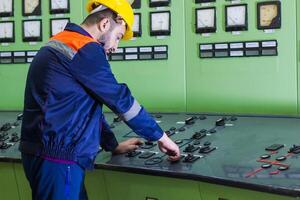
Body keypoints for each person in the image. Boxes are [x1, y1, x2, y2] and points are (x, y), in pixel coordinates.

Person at [19, 0, 180, 199]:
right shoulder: (85, 48)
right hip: (58, 159)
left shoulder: (63, 41)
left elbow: (84, 107)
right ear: (104, 24)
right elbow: (121, 100)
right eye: (118, 36)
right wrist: (162, 138)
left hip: (49, 153)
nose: (116, 46)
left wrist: (112, 145)